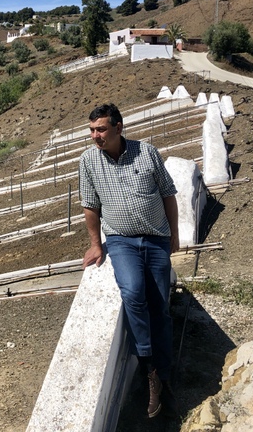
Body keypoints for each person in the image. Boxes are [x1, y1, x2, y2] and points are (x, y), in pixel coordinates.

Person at [79, 103, 179, 419]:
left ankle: (165, 374)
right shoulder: (88, 161)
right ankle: (150, 370)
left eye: (101, 129)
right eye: (92, 130)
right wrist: (96, 245)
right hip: (121, 241)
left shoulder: (146, 153)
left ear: (119, 128)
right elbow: (90, 206)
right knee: (134, 293)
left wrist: (174, 235)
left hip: (156, 238)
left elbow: (168, 194)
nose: (95, 136)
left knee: (160, 307)